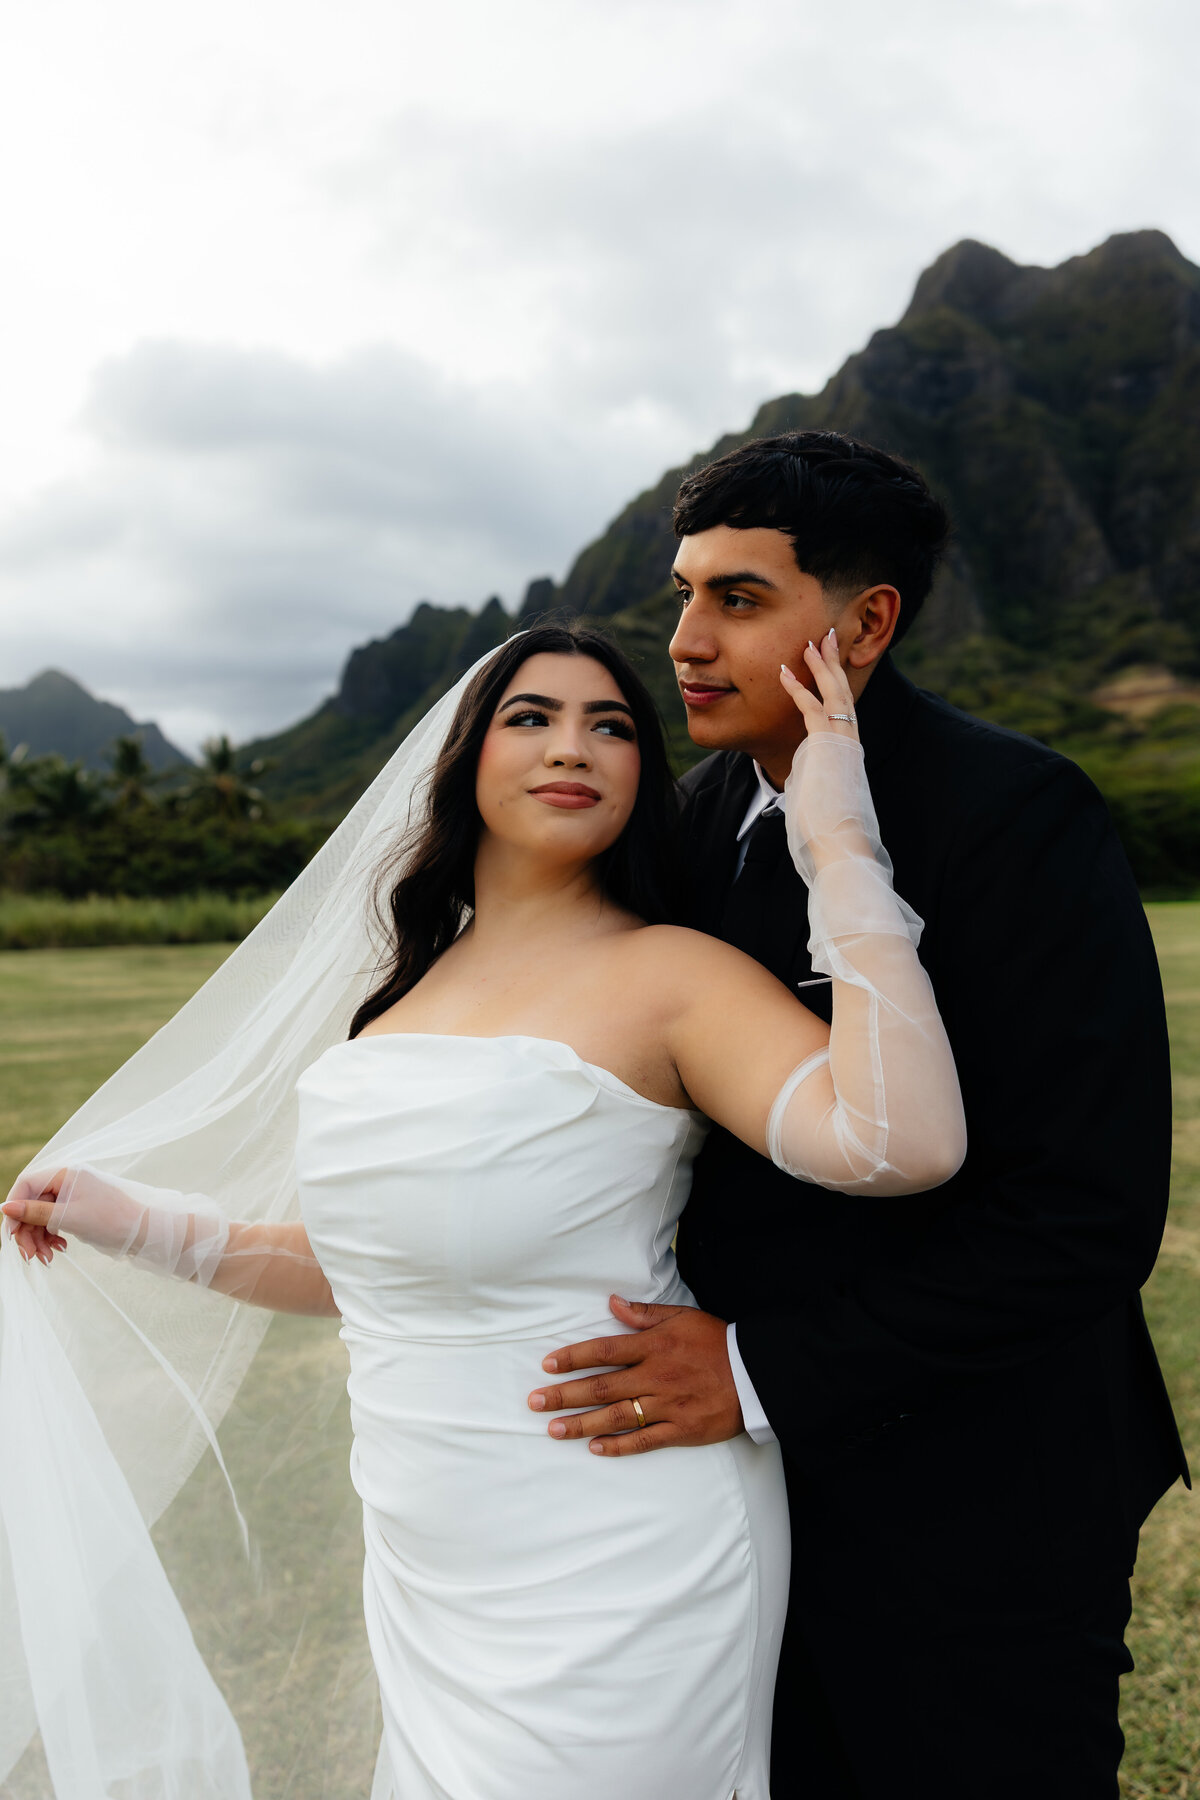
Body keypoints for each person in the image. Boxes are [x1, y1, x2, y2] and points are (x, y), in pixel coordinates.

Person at [2, 624, 966, 1800]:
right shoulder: (397, 999)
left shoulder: (675, 976)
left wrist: (841, 849)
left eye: (612, 726)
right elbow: (377, 1271)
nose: (575, 747)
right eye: (533, 717)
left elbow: (901, 1142)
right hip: (430, 1549)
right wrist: (137, 1220)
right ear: (464, 759)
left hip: (621, 1541)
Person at [530, 433, 1190, 1800]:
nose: (689, 642)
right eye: (683, 595)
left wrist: (762, 1369)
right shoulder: (686, 830)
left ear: (867, 619)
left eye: (739, 599)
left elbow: (1084, 1211)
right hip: (741, 1505)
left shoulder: (1015, 814)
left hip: (988, 1502)